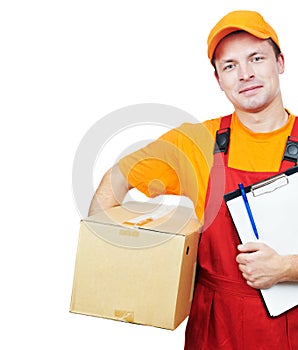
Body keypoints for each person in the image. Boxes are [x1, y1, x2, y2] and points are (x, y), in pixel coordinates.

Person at [89, 10, 298, 349]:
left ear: (280, 62)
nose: (245, 74)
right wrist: (108, 264)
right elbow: (118, 178)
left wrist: (287, 268)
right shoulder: (195, 142)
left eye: (256, 58)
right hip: (214, 331)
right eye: (230, 65)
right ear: (218, 79)